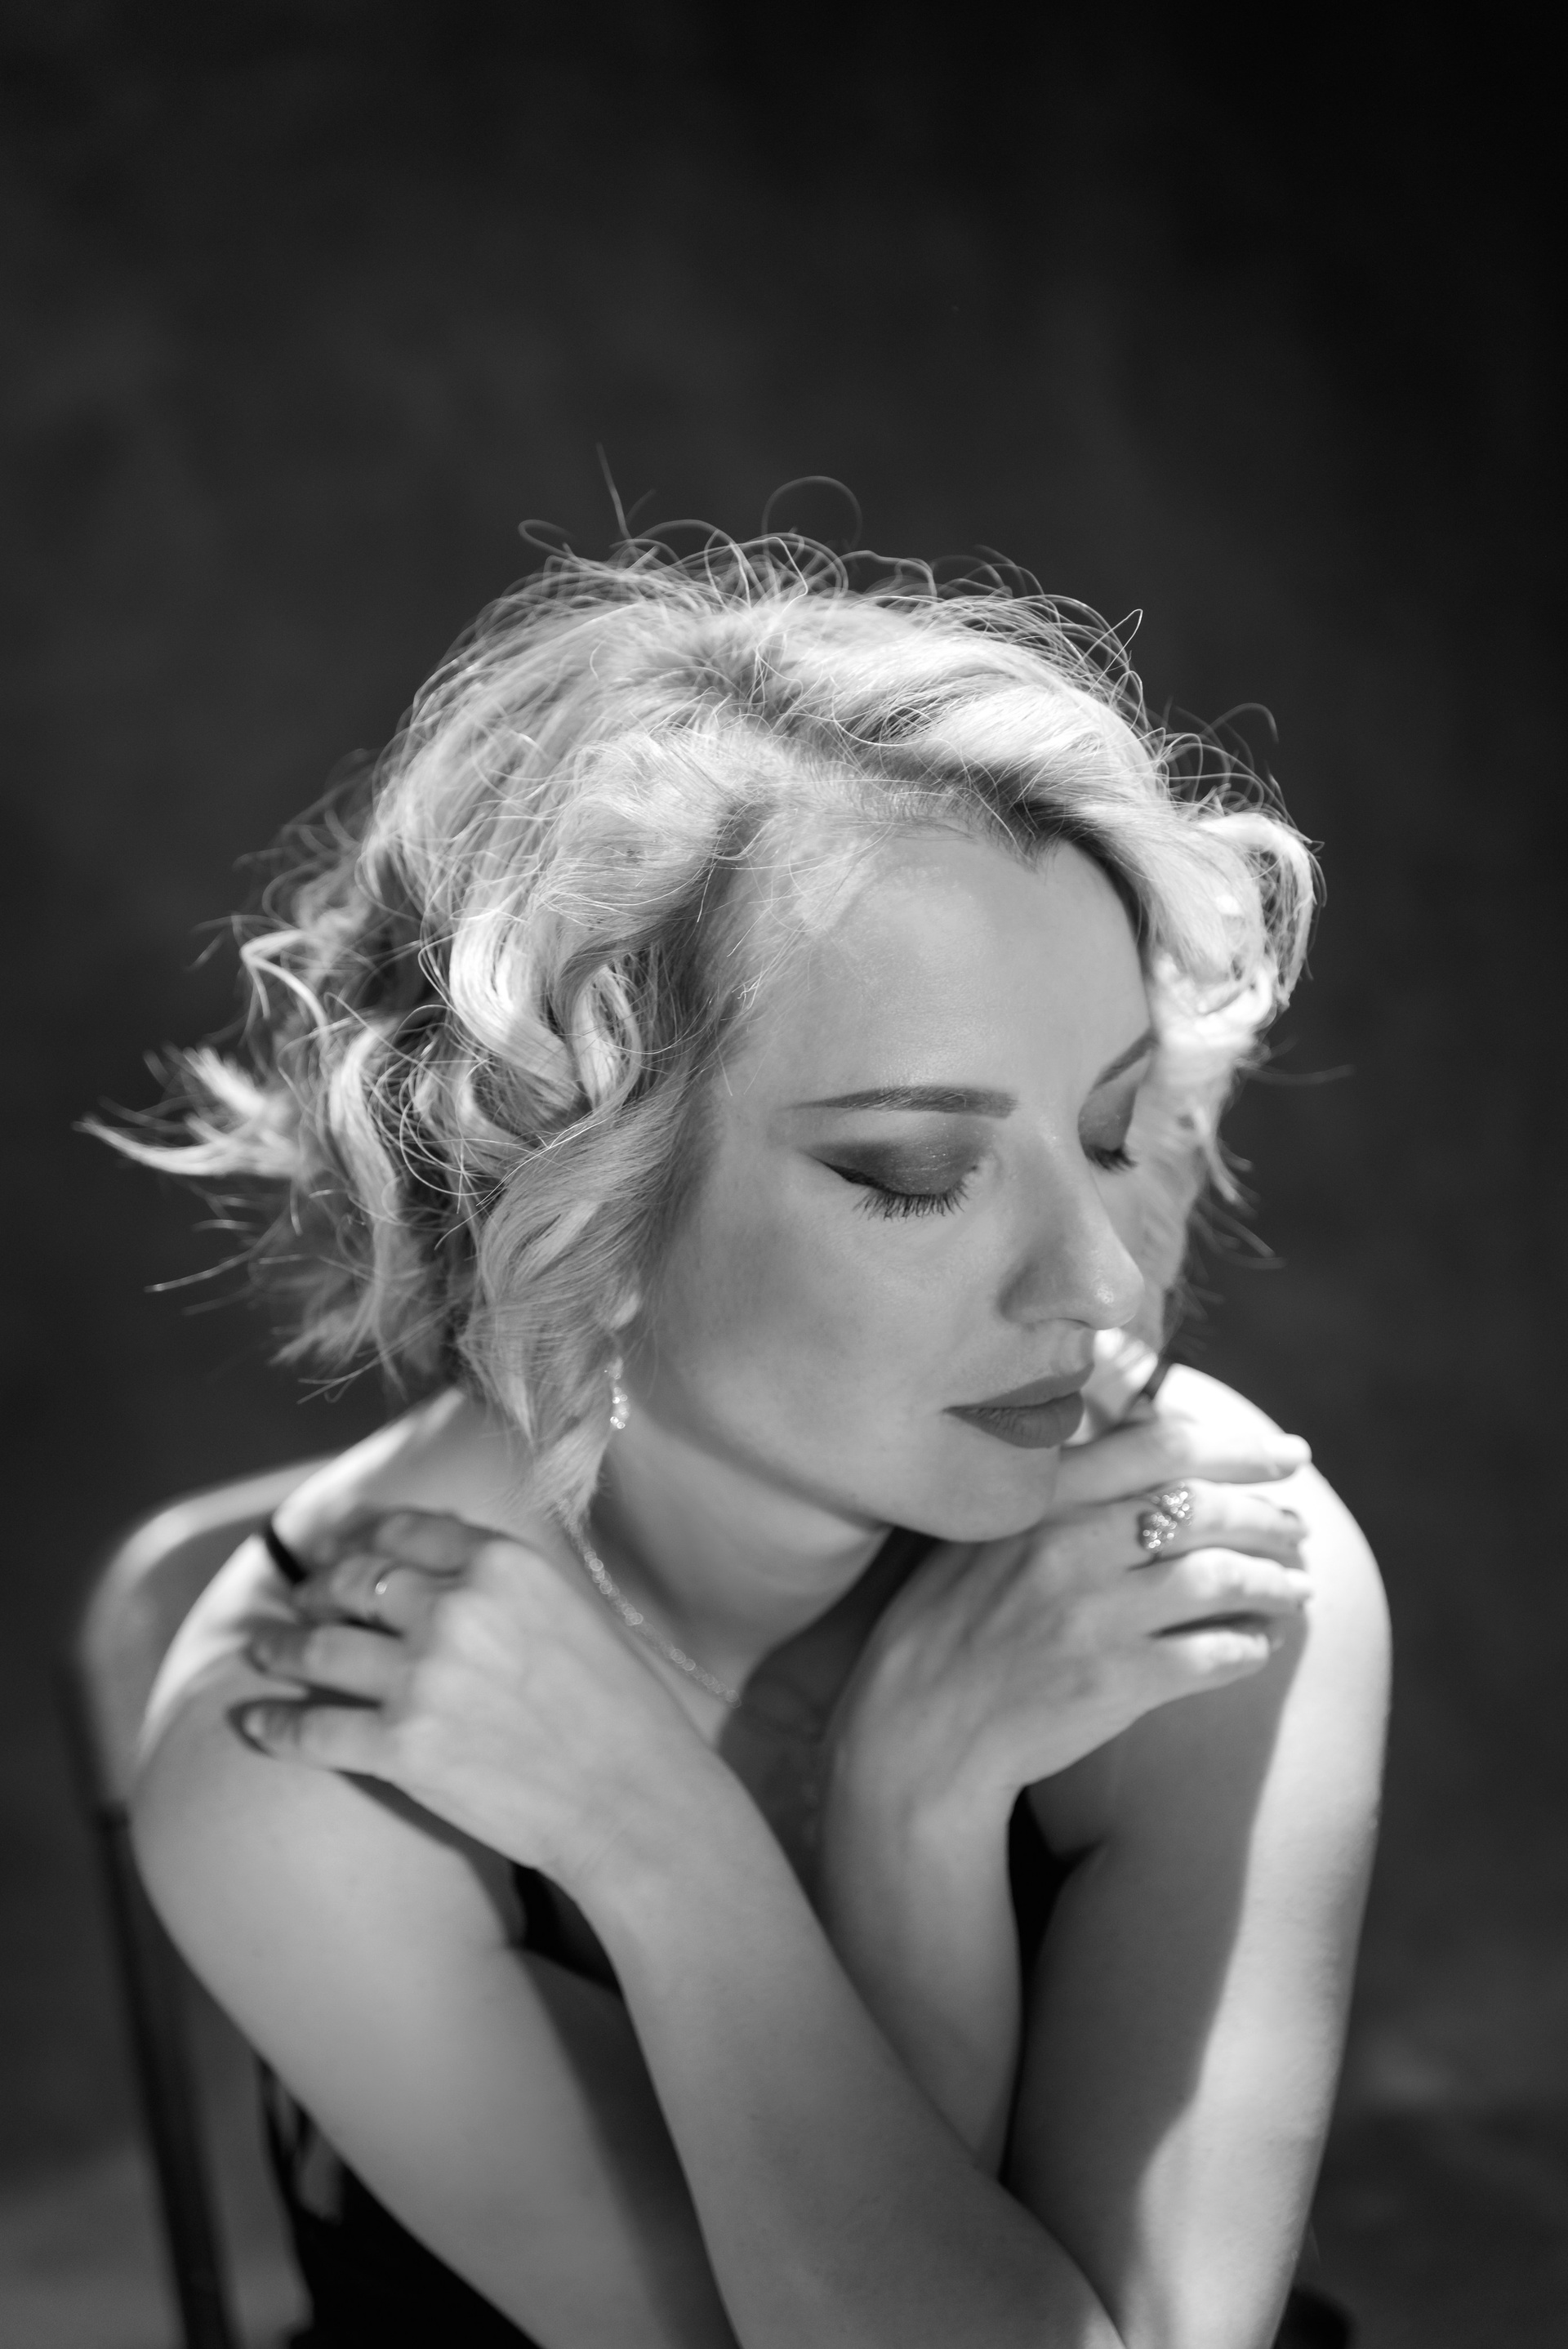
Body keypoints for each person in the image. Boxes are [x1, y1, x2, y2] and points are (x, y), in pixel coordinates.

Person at [110, 538, 1388, 2349]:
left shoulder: (1202, 1547)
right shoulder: (305, 1751)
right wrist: (674, 1854)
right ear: (579, 1196)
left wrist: (910, 1810)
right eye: (914, 1173)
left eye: (1112, 1131)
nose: (1103, 1282)